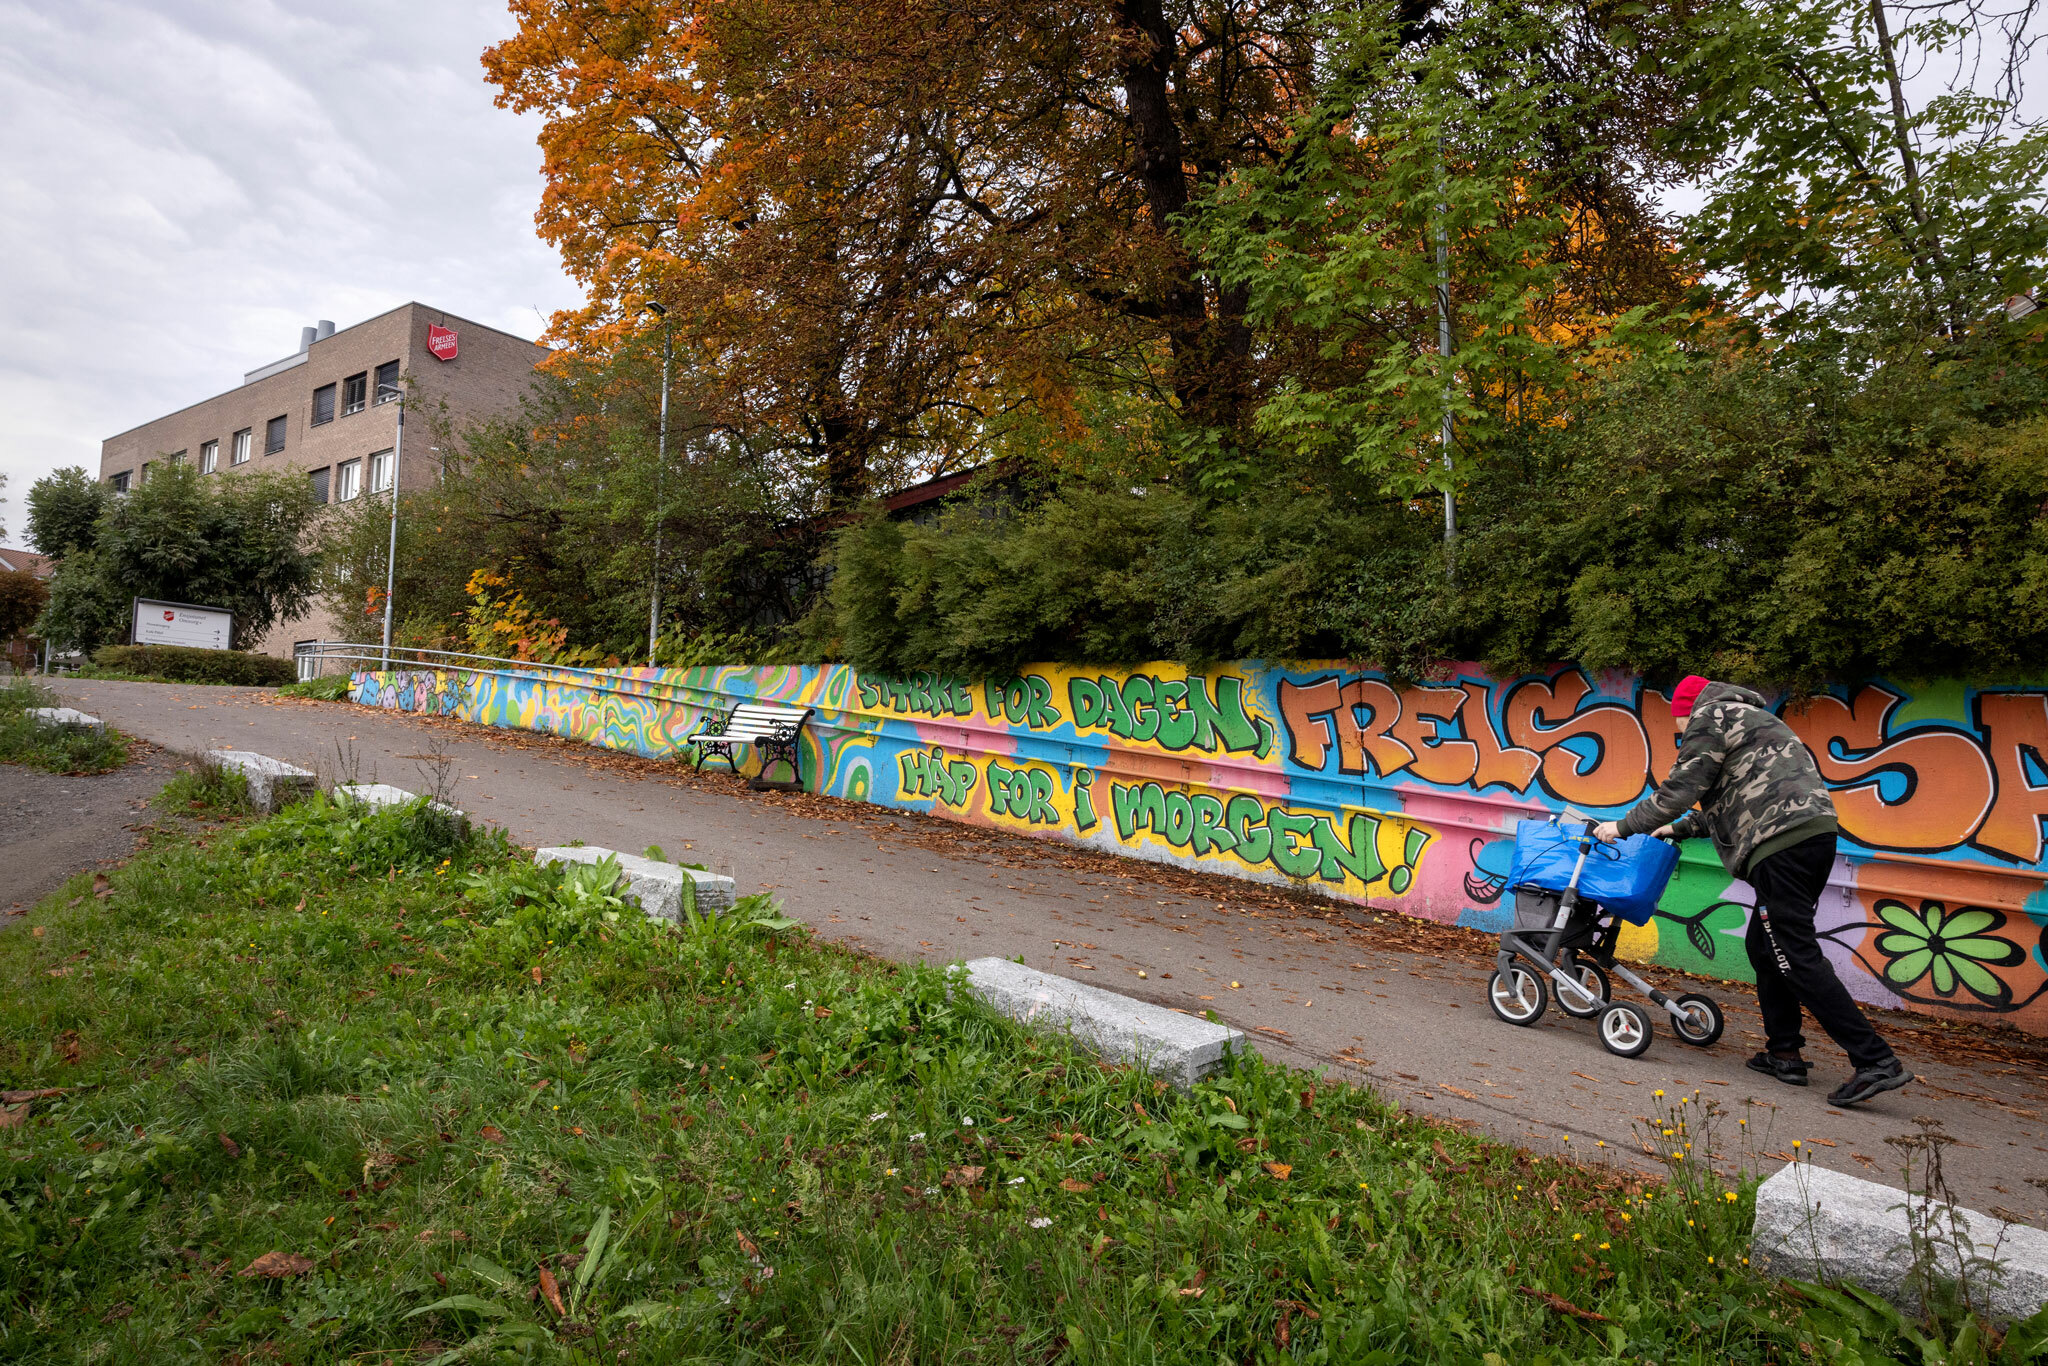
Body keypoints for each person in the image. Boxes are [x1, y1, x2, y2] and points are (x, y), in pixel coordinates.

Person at [1592, 674, 1911, 1108]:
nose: (1680, 733)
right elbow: (1740, 800)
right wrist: (1676, 829)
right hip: (1809, 838)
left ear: (1685, 711)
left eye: (1677, 725)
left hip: (1781, 847)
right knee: (1765, 945)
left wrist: (1622, 826)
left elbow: (1681, 789)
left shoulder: (1710, 716)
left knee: (1793, 954)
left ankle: (1875, 1060)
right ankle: (1784, 1053)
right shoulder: (1750, 719)